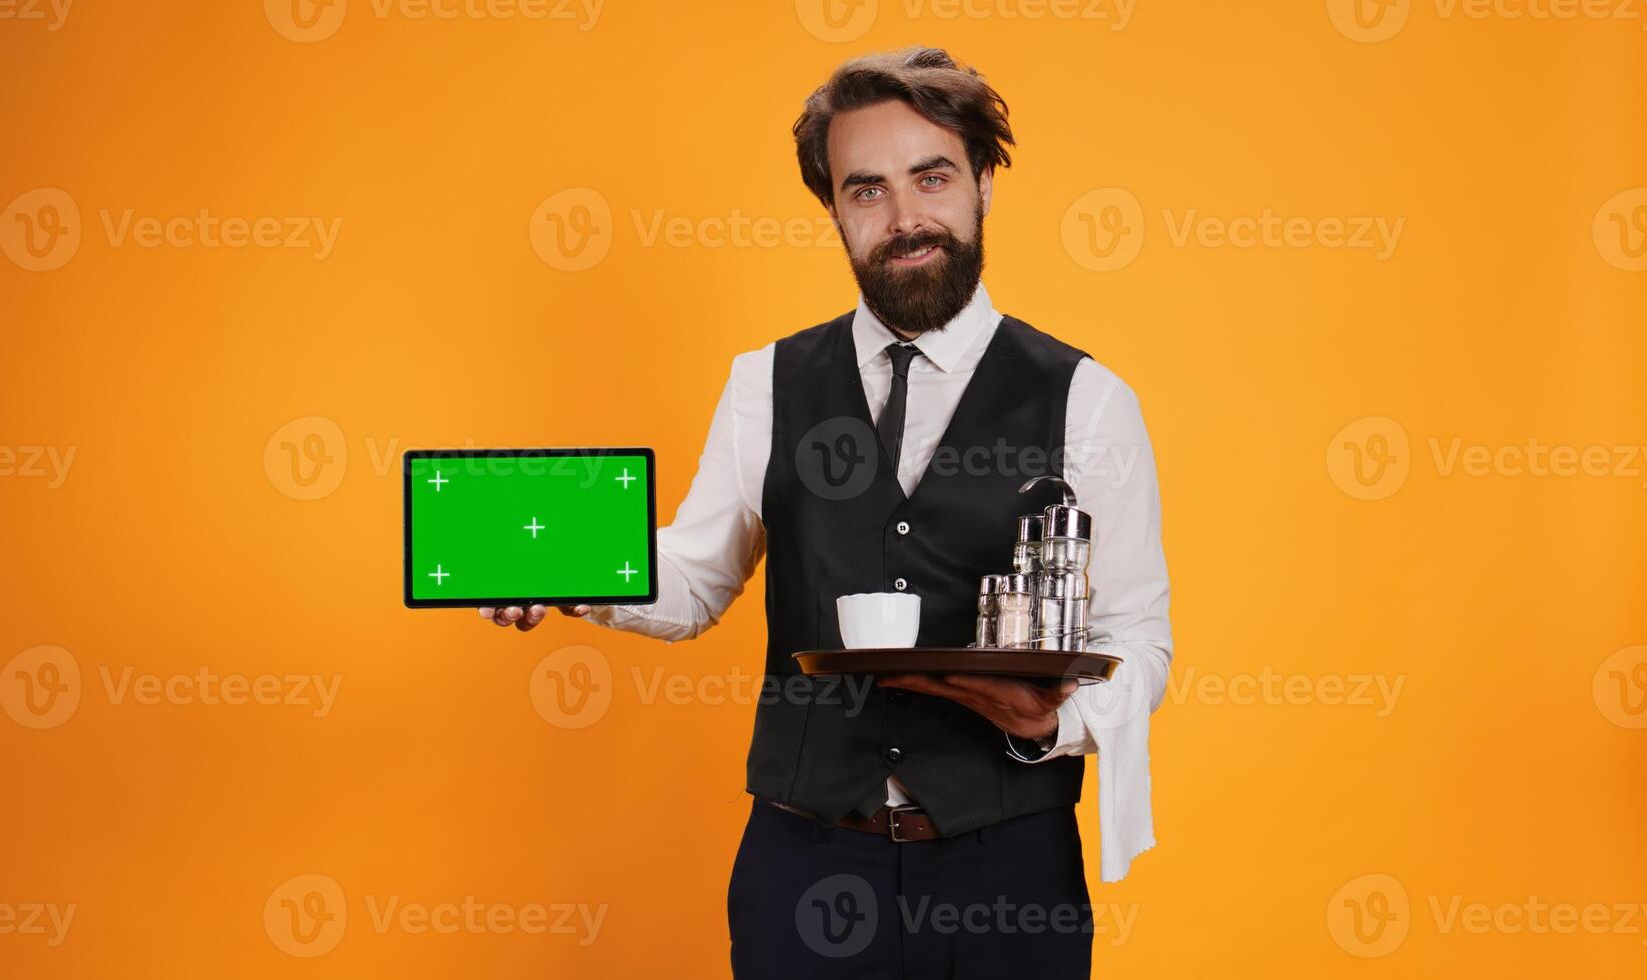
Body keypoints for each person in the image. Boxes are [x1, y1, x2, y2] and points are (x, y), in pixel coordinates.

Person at [482, 46, 1172, 979]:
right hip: (802, 862)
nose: (905, 217)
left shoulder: (1088, 399)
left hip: (1008, 870)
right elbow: (694, 581)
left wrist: (1051, 725)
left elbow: (1140, 638)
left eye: (931, 177)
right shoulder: (765, 383)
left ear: (983, 184)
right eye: (866, 190)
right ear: (835, 210)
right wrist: (572, 570)